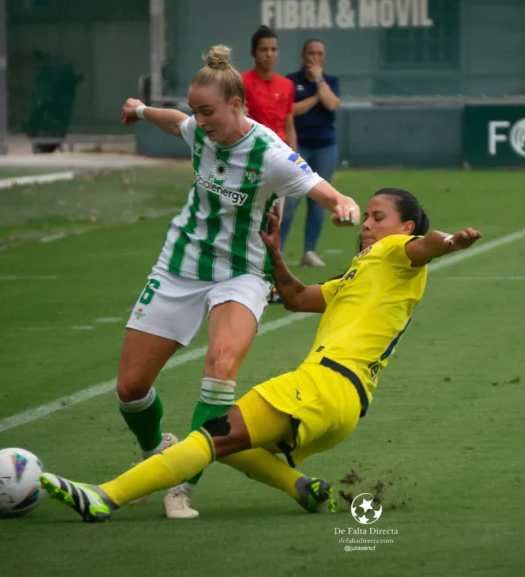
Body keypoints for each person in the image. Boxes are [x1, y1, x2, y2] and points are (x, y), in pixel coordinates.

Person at [38, 188, 484, 522]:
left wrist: (450, 242)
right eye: (366, 216)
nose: (366, 224)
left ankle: (104, 497)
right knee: (226, 440)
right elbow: (297, 297)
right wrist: (274, 254)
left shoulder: (395, 252)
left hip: (322, 384)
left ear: (405, 227)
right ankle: (301, 487)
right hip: (345, 406)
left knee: (211, 436)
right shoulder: (363, 272)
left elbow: (426, 245)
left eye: (378, 217)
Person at [113, 44, 360, 520]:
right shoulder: (200, 129)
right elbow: (175, 122)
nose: (199, 120)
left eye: (208, 111)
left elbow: (322, 189)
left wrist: (344, 205)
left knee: (221, 365)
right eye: (196, 110)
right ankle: (156, 449)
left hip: (242, 272)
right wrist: (141, 110)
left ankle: (180, 485)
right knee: (130, 388)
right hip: (181, 263)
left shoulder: (270, 153)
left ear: (236, 105)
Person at [281, 39, 342, 269]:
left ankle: (309, 252)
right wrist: (316, 96)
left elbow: (332, 104)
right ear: (303, 56)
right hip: (298, 147)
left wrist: (319, 81)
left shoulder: (330, 81)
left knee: (319, 201)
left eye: (319, 54)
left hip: (325, 147)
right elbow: (291, 110)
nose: (315, 58)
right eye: (311, 53)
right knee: (290, 201)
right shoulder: (290, 81)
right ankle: (277, 250)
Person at [241, 25, 296, 148]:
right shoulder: (241, 82)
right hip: (253, 147)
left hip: (280, 148)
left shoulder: (287, 85)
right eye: (263, 50)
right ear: (254, 52)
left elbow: (289, 126)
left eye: (273, 49)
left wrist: (294, 155)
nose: (269, 54)